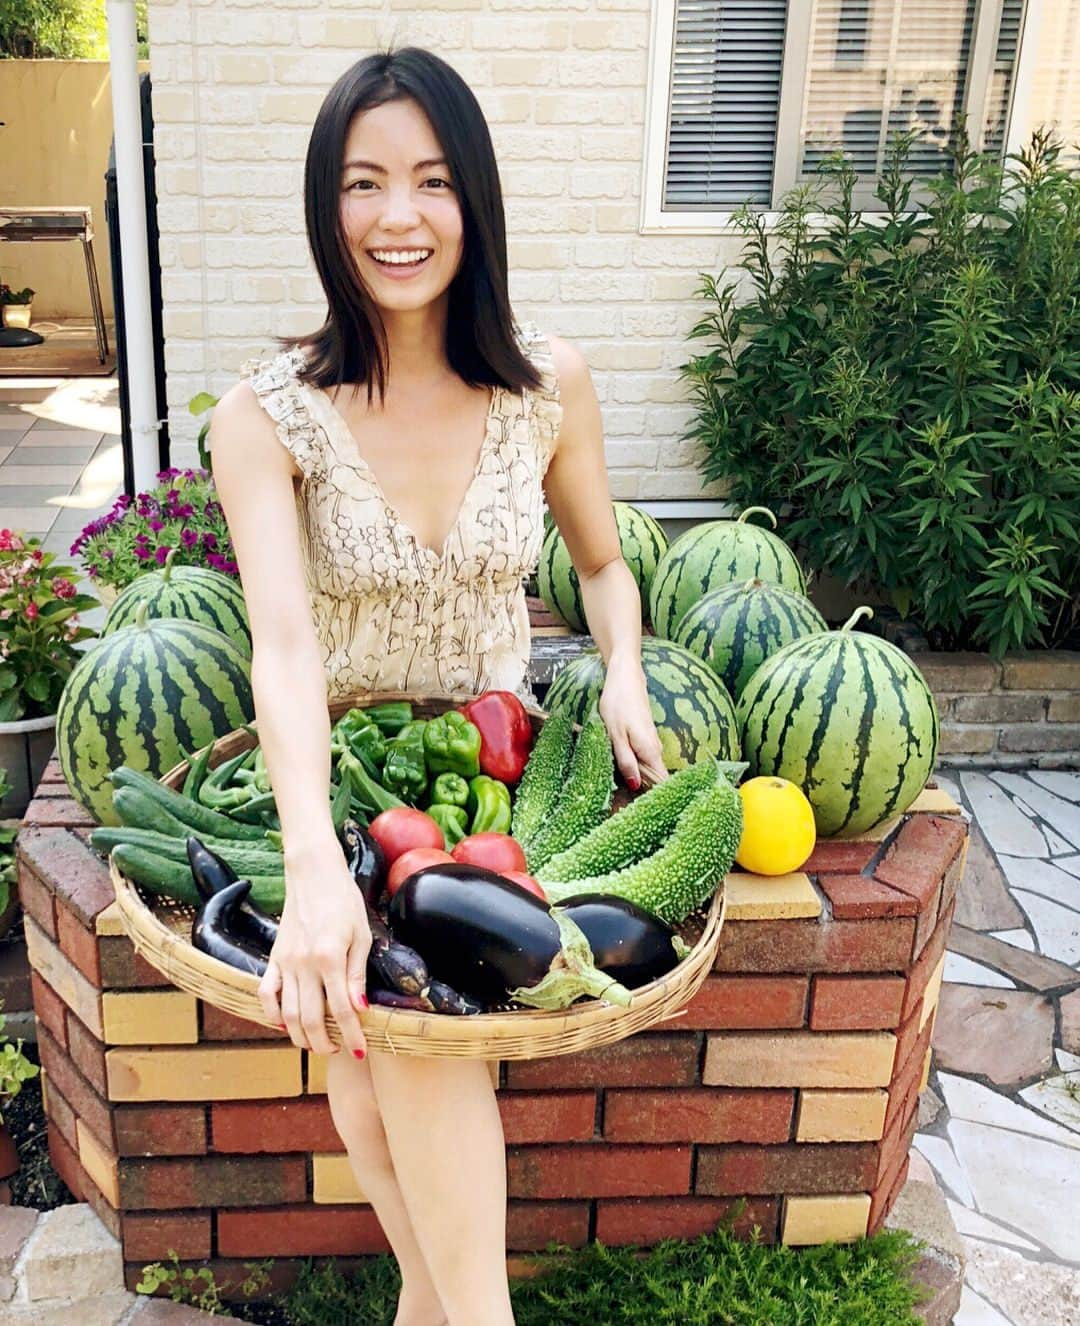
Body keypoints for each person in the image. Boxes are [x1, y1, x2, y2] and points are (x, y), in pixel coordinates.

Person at [210, 46, 667, 1326]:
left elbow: (603, 563)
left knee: (391, 1048)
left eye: (430, 181)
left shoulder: (545, 386)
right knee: (372, 1058)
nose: (397, 217)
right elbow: (284, 648)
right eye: (363, 184)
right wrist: (310, 856)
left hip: (492, 777)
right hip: (338, 782)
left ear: (475, 199)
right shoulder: (266, 415)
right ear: (326, 205)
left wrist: (620, 664)